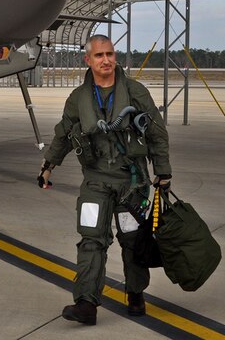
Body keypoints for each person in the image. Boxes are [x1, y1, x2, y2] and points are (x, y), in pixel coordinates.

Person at [38, 34, 172, 325]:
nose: (106, 60)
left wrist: (163, 172)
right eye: (99, 56)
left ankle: (136, 294)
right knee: (91, 241)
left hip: (132, 183)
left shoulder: (135, 92)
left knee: (133, 240)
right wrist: (48, 165)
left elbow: (157, 134)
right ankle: (86, 303)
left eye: (110, 54)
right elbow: (63, 133)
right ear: (88, 60)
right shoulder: (78, 99)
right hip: (96, 181)